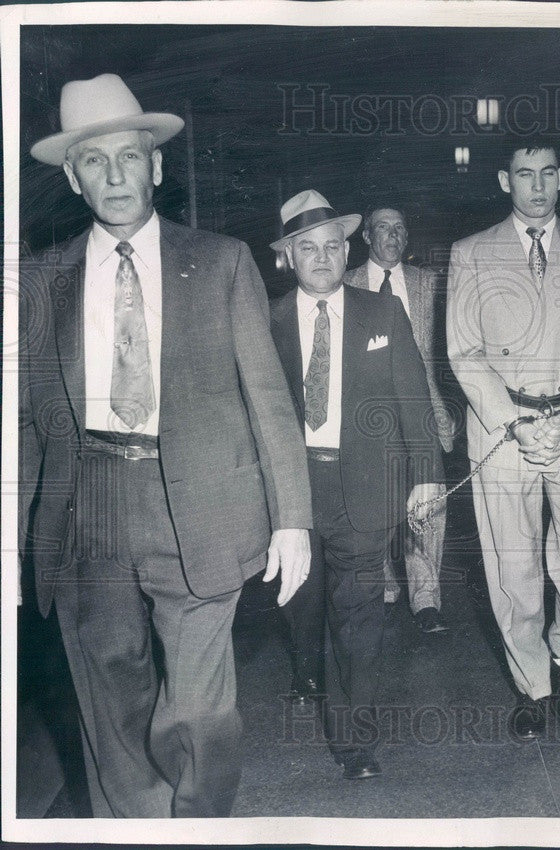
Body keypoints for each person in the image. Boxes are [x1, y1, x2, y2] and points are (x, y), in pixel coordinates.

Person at [20, 74, 312, 817]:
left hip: (204, 507)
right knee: (108, 703)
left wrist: (292, 518)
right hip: (87, 513)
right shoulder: (37, 281)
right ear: (73, 179)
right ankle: (136, 829)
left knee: (200, 710)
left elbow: (269, 400)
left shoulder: (219, 262)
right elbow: (24, 422)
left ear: (155, 166)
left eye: (129, 157)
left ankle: (199, 824)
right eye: (94, 161)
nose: (115, 175)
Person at [447, 138, 560, 740]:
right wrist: (518, 422)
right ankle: (533, 684)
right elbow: (464, 354)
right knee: (512, 568)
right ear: (504, 180)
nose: (538, 185)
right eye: (525, 174)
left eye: (549, 173)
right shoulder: (471, 254)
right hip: (502, 429)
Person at [269, 190, 445, 779]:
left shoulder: (380, 313)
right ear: (288, 256)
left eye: (332, 246)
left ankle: (353, 741)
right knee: (302, 603)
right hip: (291, 490)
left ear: (348, 250)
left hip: (367, 487)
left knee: (359, 616)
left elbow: (414, 398)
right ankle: (306, 671)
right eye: (307, 248)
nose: (321, 258)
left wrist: (424, 475)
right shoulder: (265, 322)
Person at [344, 206, 454, 634]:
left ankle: (426, 598)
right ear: (367, 237)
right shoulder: (346, 282)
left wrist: (448, 405)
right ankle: (386, 586)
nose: (393, 236)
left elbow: (445, 350)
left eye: (400, 229)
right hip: (367, 416)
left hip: (423, 408)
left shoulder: (430, 283)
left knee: (430, 501)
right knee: (379, 502)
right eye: (384, 229)